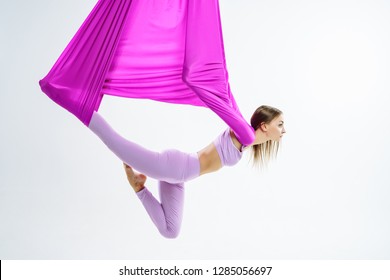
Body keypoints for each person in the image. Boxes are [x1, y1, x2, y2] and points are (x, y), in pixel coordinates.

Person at [88, 105, 286, 238]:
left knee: (170, 231)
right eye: (280, 124)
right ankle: (83, 108)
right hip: (174, 166)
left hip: (179, 176)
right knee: (115, 142)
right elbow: (227, 108)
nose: (284, 130)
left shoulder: (247, 139)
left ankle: (139, 187)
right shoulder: (246, 134)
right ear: (264, 126)